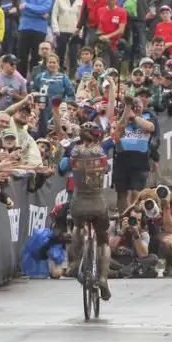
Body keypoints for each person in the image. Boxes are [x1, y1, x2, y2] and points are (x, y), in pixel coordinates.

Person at [68, 121, 113, 300]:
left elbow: (63, 167)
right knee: (103, 241)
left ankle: (75, 260)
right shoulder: (101, 152)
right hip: (98, 202)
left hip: (78, 202)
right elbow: (107, 167)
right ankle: (102, 277)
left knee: (78, 227)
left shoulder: (73, 151)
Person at [112, 87, 156, 213]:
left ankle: (136, 218)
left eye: (138, 106)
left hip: (140, 163)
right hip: (121, 162)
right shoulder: (120, 120)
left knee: (136, 193)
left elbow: (150, 127)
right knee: (121, 194)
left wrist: (134, 117)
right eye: (133, 106)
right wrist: (127, 111)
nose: (135, 108)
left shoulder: (148, 117)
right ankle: (123, 218)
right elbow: (117, 133)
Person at [17, 0, 55, 76]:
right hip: (25, 27)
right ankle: (21, 81)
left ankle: (35, 81)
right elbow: (23, 11)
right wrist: (39, 12)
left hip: (39, 29)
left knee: (37, 57)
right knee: (22, 56)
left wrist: (27, 5)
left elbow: (45, 9)